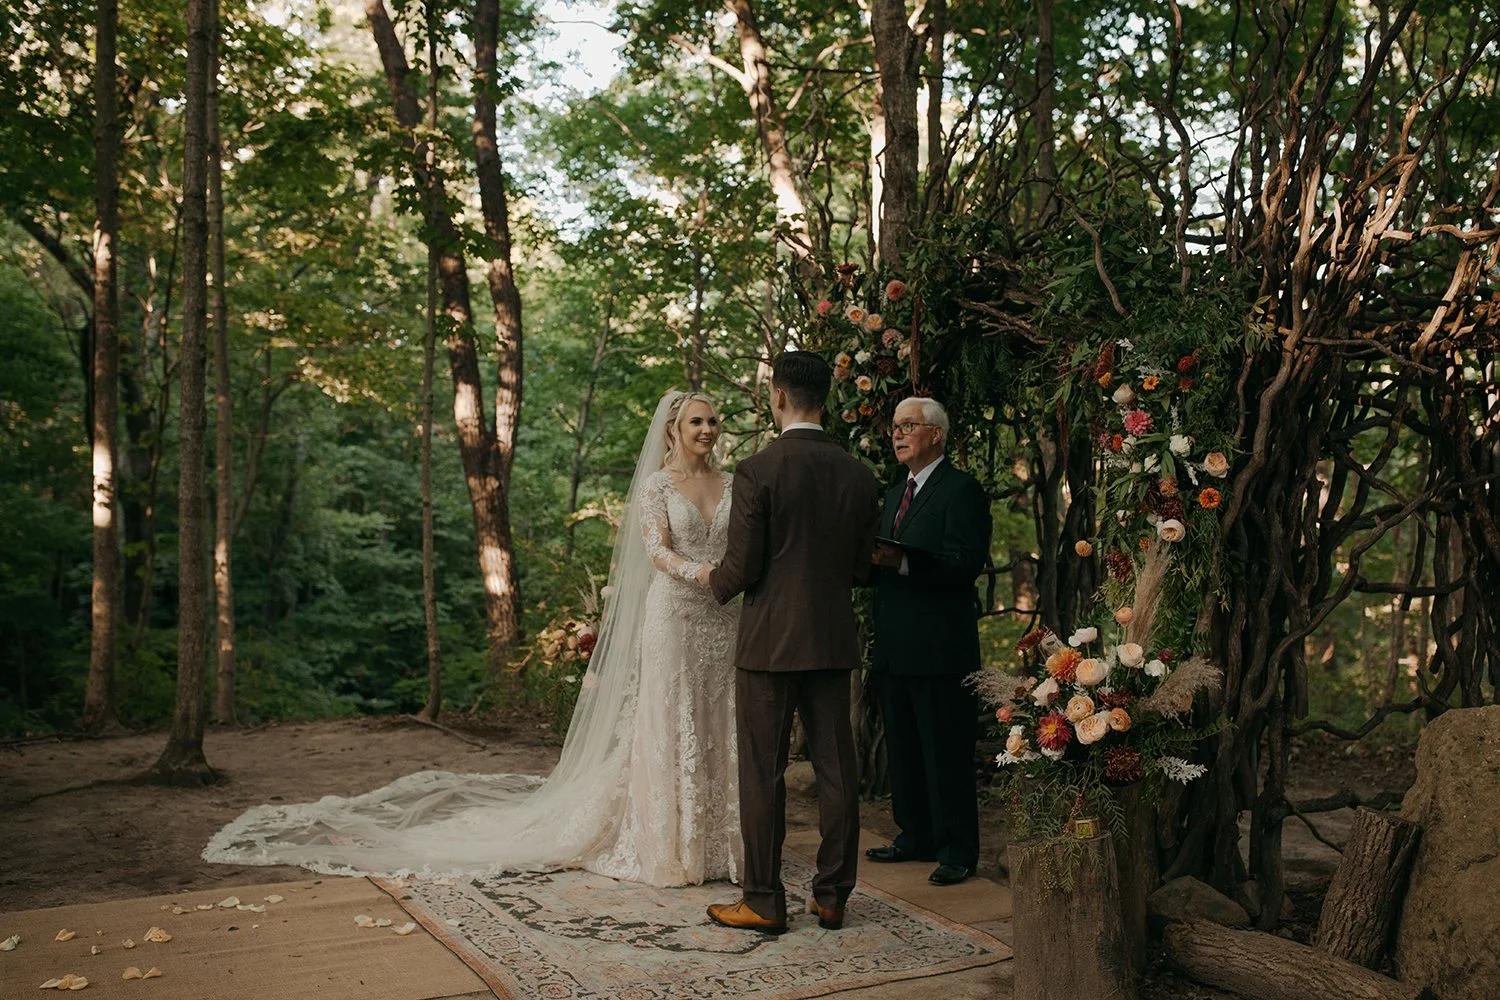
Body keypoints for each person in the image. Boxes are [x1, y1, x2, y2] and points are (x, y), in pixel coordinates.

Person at [202, 391, 743, 887]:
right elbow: (656, 552)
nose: (709, 428)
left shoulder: (733, 484)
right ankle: (672, 845)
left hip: (723, 619)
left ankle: (719, 844)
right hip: (674, 614)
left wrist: (731, 578)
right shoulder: (656, 487)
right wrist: (702, 573)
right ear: (673, 428)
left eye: (714, 419)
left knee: (718, 719)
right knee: (672, 719)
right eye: (697, 420)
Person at [700, 351, 881, 935]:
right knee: (836, 772)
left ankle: (763, 900)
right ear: (825, 400)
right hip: (831, 642)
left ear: (778, 397)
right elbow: (862, 569)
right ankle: (831, 898)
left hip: (770, 646)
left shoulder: (758, 469)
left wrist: (704, 581)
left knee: (763, 773)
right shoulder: (860, 474)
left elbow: (742, 567)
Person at [865, 396, 991, 886]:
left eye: (908, 425)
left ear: (936, 434)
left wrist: (903, 561)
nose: (897, 434)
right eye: (894, 426)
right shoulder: (896, 494)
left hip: (941, 647)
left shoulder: (962, 490)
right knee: (904, 747)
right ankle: (914, 835)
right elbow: (882, 561)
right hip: (896, 644)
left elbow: (964, 563)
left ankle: (958, 849)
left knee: (945, 751)